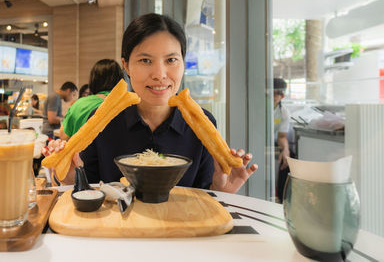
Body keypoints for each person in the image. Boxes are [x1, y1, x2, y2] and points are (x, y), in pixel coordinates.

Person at [43, 13, 257, 194]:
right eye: (145, 60)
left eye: (171, 60)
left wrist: (222, 191)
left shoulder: (202, 124)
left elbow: (204, 198)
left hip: (181, 239)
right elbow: (87, 194)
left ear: (183, 62)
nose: (160, 74)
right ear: (126, 66)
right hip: (116, 238)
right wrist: (69, 179)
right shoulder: (101, 121)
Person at [59, 59, 123, 140]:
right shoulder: (126, 105)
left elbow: (64, 136)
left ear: (93, 80)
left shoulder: (79, 104)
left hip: (80, 152)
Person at [273, 78, 293, 203]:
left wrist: (285, 150)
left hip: (273, 144)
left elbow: (281, 137)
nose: (275, 96)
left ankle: (282, 199)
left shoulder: (283, 112)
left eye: (279, 93)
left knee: (288, 159)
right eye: (273, 92)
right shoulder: (257, 108)